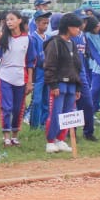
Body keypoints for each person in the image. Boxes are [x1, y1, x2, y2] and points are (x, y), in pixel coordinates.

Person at [0, 10, 37, 147]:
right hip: (5, 76)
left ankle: (15, 135)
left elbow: (31, 62)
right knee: (6, 107)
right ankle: (6, 135)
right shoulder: (4, 38)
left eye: (12, 19)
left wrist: (29, 82)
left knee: (18, 108)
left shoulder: (28, 39)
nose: (9, 22)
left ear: (19, 20)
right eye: (7, 20)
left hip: (21, 77)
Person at [43, 13, 84, 153]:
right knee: (56, 112)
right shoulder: (54, 43)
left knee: (67, 114)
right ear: (68, 27)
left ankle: (61, 139)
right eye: (76, 27)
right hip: (58, 84)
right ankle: (50, 141)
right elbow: (49, 65)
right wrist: (53, 84)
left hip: (72, 84)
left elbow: (77, 66)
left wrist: (78, 87)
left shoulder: (73, 44)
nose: (78, 30)